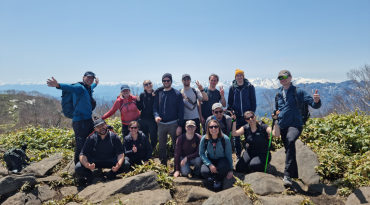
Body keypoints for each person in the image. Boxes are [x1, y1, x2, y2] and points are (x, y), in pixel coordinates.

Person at [275, 70, 321, 186]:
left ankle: (287, 175)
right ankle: (294, 174)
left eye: (285, 76)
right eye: (280, 78)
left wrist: (317, 101)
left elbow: (314, 105)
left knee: (290, 140)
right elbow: (277, 110)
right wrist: (275, 115)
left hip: (295, 125)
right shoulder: (278, 93)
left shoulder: (298, 91)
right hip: (283, 125)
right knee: (288, 148)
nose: (283, 79)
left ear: (290, 77)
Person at [47, 71, 99, 165]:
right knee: (81, 146)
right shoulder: (80, 87)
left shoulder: (88, 88)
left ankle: (88, 163)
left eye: (92, 78)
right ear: (83, 77)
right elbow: (70, 87)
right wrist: (58, 85)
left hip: (88, 120)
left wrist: (96, 83)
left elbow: (92, 86)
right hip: (80, 122)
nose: (90, 80)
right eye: (88, 77)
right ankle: (78, 168)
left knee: (90, 142)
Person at [75, 118, 130, 185]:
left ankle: (110, 174)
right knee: (78, 167)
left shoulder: (114, 137)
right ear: (95, 129)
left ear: (106, 124)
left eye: (102, 125)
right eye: (98, 127)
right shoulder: (91, 138)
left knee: (126, 164)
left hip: (109, 160)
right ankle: (91, 176)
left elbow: (120, 153)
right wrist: (87, 165)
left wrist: (118, 164)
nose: (101, 128)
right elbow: (83, 154)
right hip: (95, 161)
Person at [153, 73, 184, 165]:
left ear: (171, 81)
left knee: (176, 146)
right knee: (162, 147)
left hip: (173, 123)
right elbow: (155, 107)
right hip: (161, 124)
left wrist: (180, 126)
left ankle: (176, 166)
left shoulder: (177, 94)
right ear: (162, 81)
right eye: (164, 80)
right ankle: (163, 166)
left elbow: (181, 111)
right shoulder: (159, 93)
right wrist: (156, 116)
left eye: (168, 80)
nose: (166, 82)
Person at [227, 69, 257, 159]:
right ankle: (238, 155)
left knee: (249, 135)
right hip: (236, 116)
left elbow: (253, 101)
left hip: (247, 117)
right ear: (235, 77)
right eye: (237, 75)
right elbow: (230, 103)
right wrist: (232, 112)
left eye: (241, 75)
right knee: (236, 137)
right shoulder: (232, 87)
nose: (239, 77)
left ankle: (249, 152)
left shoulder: (249, 86)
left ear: (243, 76)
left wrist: (251, 114)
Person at [199, 119, 233, 189]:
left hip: (222, 159)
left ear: (219, 128)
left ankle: (218, 179)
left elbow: (229, 154)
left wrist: (231, 169)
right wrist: (210, 164)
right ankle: (211, 176)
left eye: (216, 126)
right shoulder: (204, 139)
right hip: (210, 159)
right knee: (204, 172)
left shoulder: (225, 139)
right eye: (211, 127)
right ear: (208, 129)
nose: (213, 128)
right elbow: (201, 153)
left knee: (223, 168)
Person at [136, 80, 158, 150]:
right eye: (146, 84)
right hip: (143, 119)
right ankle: (146, 152)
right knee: (144, 137)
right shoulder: (142, 95)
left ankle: (153, 151)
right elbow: (140, 108)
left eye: (149, 83)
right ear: (144, 87)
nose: (148, 85)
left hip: (152, 119)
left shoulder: (156, 93)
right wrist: (138, 101)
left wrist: (153, 96)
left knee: (153, 137)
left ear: (152, 84)